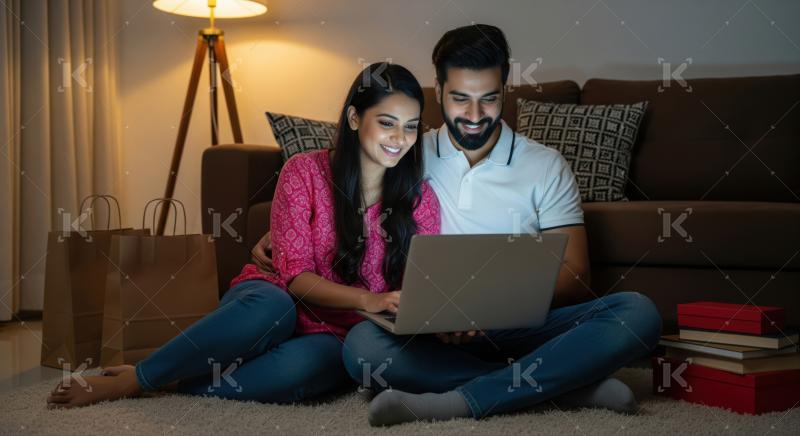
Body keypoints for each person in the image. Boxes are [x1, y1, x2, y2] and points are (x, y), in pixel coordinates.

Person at [254, 25, 663, 427]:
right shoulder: (409, 154)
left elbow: (576, 273)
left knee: (638, 312)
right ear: (438, 90)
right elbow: (335, 199)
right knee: (362, 349)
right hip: (435, 334)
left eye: (488, 99)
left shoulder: (545, 165)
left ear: (506, 89)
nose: (473, 115)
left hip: (523, 324)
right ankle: (570, 389)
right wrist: (281, 236)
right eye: (459, 99)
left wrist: (488, 307)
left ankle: (459, 400)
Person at [46, 62, 440, 409]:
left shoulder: (420, 199)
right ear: (355, 119)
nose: (399, 138)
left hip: (341, 330)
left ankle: (176, 382)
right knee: (274, 308)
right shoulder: (304, 172)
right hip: (277, 297)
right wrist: (369, 298)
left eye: (410, 127)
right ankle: (140, 377)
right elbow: (296, 278)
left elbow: (415, 291)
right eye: (387, 123)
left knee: (312, 367)